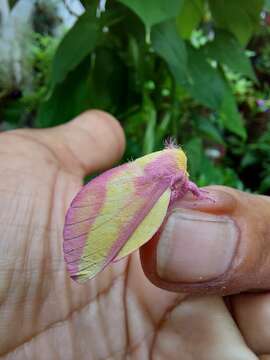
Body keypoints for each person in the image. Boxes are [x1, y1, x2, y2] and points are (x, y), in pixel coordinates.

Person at [0, 110, 269, 360]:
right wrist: (200, 194)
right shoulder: (169, 174)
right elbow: (189, 189)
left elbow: (184, 189)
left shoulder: (166, 166)